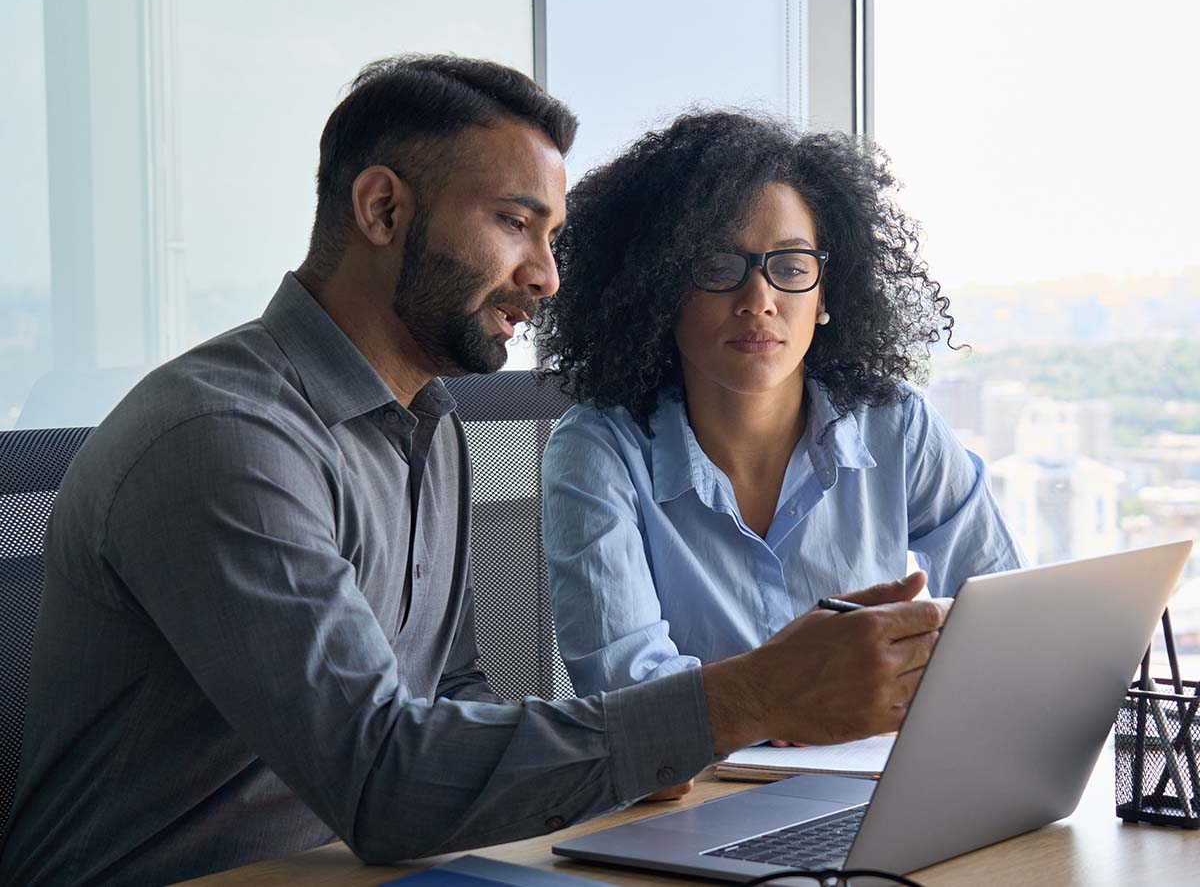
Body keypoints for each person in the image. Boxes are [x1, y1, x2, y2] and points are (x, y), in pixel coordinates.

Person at [0, 61, 949, 887]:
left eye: (551, 235)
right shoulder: (224, 439)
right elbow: (382, 779)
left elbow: (448, 695)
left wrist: (639, 746)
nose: (547, 276)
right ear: (383, 209)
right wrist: (745, 698)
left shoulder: (428, 423)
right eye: (514, 224)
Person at [538, 112, 1024, 747]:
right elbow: (633, 704)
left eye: (791, 267)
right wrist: (783, 706)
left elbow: (1006, 623)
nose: (759, 299)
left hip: (876, 781)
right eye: (718, 265)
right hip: (697, 803)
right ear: (658, 289)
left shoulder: (895, 423)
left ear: (823, 295)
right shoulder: (598, 451)